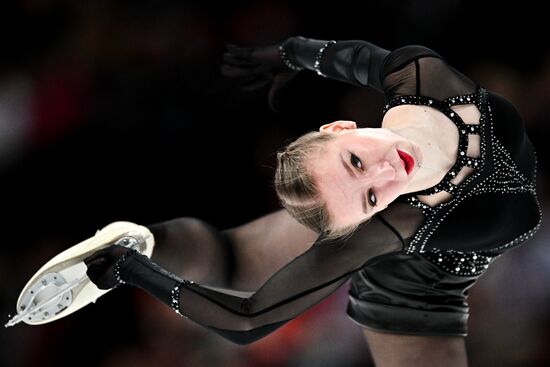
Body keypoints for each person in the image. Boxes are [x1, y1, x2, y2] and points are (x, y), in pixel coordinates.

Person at [83, 36, 542, 367]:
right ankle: (144, 245)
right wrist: (133, 272)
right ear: (368, 217)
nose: (387, 173)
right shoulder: (388, 226)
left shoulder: (420, 77)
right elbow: (249, 323)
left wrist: (289, 52)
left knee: (234, 256)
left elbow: (355, 58)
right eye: (369, 198)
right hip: (421, 286)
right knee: (233, 262)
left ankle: (144, 243)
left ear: (341, 128)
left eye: (356, 162)